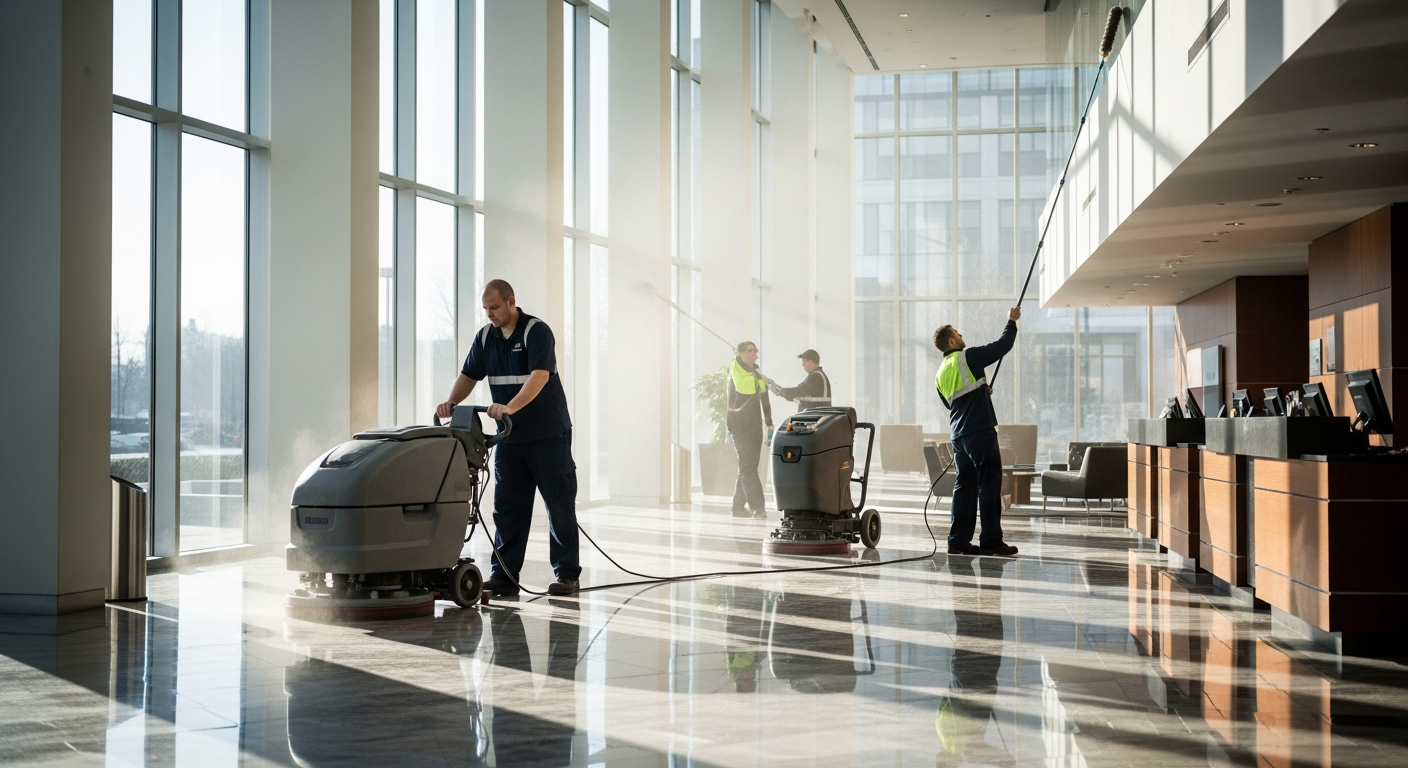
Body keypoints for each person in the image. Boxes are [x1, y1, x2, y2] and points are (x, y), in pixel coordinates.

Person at [436, 279, 580, 597]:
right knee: (508, 507)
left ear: (511, 302)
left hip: (547, 434)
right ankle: (504, 575)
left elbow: (539, 376)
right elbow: (469, 374)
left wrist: (509, 407)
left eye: (495, 307)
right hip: (510, 439)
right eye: (485, 309)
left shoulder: (536, 331)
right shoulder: (486, 337)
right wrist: (452, 403)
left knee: (558, 505)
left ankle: (568, 575)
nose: (490, 314)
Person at [933, 307, 1021, 557]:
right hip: (979, 430)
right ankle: (992, 541)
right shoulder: (967, 356)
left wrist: (981, 391)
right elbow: (1001, 346)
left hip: (958, 435)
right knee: (990, 482)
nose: (962, 336)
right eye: (958, 334)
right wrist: (1011, 321)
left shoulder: (940, 373)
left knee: (965, 485)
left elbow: (952, 403)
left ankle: (958, 541)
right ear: (952, 340)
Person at [726, 341, 772, 519]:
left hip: (755, 425)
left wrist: (769, 422)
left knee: (749, 467)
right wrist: (757, 376)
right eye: (751, 351)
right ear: (742, 353)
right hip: (739, 426)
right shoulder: (735, 370)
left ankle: (737, 508)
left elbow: (764, 400)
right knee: (748, 467)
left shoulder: (756, 373)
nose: (755, 355)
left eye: (756, 351)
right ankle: (758, 508)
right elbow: (745, 389)